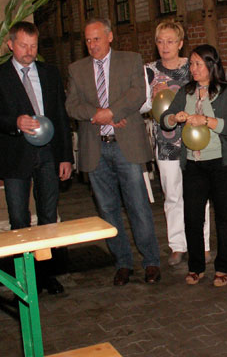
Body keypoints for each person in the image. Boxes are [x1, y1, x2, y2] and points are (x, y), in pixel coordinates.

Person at [66, 17, 161, 286]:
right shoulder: (76, 69)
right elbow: (72, 105)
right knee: (108, 210)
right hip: (96, 148)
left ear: (109, 37)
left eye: (96, 39)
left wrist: (112, 112)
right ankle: (122, 263)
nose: (92, 45)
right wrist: (98, 115)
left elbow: (137, 94)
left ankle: (151, 261)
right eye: (88, 40)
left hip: (126, 146)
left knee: (138, 206)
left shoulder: (131, 60)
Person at [0, 22, 73, 295]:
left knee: (48, 216)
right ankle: (24, 279)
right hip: (16, 154)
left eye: (33, 46)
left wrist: (65, 157)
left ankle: (47, 275)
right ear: (10, 44)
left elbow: (60, 116)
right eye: (23, 45)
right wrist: (15, 122)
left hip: (48, 153)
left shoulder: (50, 73)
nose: (29, 51)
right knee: (19, 219)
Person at [161, 44, 227, 286]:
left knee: (225, 218)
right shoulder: (185, 92)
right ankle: (196, 267)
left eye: (198, 64)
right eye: (191, 64)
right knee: (193, 218)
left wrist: (206, 120)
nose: (193, 69)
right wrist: (173, 118)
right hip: (194, 165)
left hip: (222, 164)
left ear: (211, 65)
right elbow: (165, 119)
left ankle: (223, 268)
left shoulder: (225, 92)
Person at [140, 21, 211, 267]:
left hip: (195, 139)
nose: (165, 46)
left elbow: (209, 94)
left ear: (180, 43)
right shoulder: (149, 71)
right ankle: (177, 245)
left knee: (200, 195)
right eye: (160, 41)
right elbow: (141, 107)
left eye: (170, 41)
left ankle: (202, 244)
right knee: (172, 195)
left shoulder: (193, 66)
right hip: (166, 142)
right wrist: (151, 97)